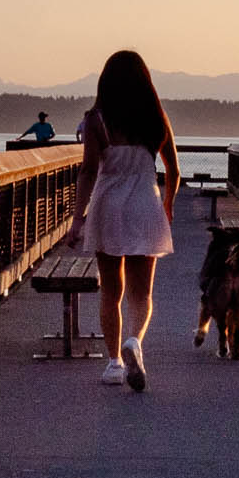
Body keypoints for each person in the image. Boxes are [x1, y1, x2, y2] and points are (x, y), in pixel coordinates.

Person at [63, 51, 180, 391]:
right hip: (145, 203)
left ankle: (114, 362)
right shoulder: (156, 118)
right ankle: (135, 341)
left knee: (110, 290)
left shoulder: (96, 120)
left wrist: (77, 218)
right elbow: (173, 169)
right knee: (141, 293)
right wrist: (168, 205)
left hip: (108, 206)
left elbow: (87, 171)